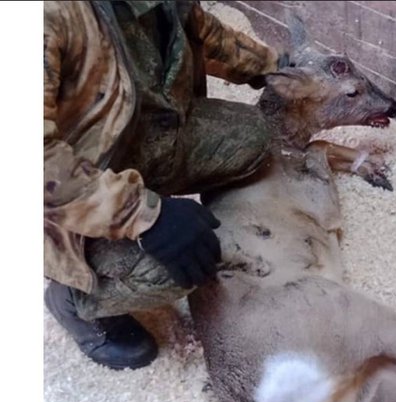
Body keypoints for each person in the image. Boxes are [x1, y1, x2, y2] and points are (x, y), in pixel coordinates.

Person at [44, 0, 286, 369]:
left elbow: (204, 32)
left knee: (252, 135)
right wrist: (144, 216)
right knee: (172, 271)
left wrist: (274, 68)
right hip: (66, 197)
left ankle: (147, 201)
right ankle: (75, 300)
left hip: (138, 139)